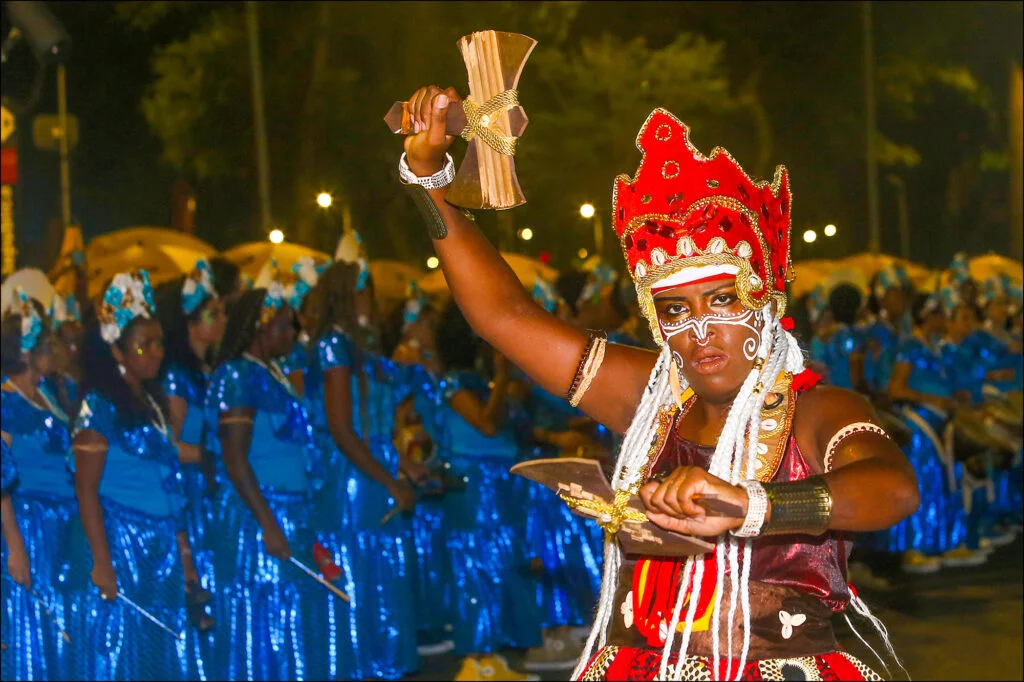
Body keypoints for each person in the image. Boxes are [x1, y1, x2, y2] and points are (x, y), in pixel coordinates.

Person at [396, 91, 919, 679]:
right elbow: (503, 316)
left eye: (722, 300)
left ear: (765, 300)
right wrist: (426, 181)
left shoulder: (816, 409)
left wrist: (750, 505)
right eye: (675, 310)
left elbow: (894, 488)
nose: (699, 330)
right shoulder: (650, 397)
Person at [203, 284, 332, 680]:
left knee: (290, 616)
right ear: (261, 328)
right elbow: (235, 459)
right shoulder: (239, 375)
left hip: (289, 510)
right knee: (265, 618)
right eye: (283, 326)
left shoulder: (273, 373)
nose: (292, 334)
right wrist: (268, 523)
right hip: (258, 515)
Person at [303, 254, 420, 680]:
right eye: (364, 290)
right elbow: (340, 428)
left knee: (377, 571)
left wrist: (404, 465)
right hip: (351, 478)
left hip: (369, 470)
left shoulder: (356, 347)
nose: (370, 299)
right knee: (358, 568)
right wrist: (390, 480)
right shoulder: (334, 345)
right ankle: (360, 667)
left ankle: (379, 663)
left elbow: (368, 423)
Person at [71, 270, 190, 681]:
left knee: (162, 651)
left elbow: (167, 479)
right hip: (124, 543)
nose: (157, 352)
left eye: (159, 342)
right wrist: (103, 563)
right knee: (127, 653)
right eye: (145, 345)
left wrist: (182, 551)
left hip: (159, 545)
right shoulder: (99, 404)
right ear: (117, 353)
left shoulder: (151, 399)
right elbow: (85, 489)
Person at [420, 301, 542, 682]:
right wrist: (503, 377)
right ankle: (476, 657)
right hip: (475, 488)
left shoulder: (474, 381)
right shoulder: (455, 384)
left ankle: (494, 655)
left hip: (497, 484)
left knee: (501, 566)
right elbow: (487, 426)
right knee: (475, 568)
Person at [1, 291, 79, 680]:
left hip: (62, 525)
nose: (56, 352)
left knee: (61, 629)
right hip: (30, 525)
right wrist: (15, 547)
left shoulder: (49, 394)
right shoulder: (5, 402)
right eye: (47, 345)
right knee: (33, 628)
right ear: (26, 351)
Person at [156, 258, 227, 670]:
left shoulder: (207, 371)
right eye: (212, 314)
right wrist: (212, 456)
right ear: (190, 322)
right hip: (190, 490)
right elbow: (171, 444)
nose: (220, 321)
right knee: (195, 578)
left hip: (208, 486)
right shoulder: (177, 377)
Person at [810, 284, 866, 392]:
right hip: (848, 399)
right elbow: (856, 379)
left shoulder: (817, 339)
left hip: (822, 398)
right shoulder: (854, 337)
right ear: (857, 309)